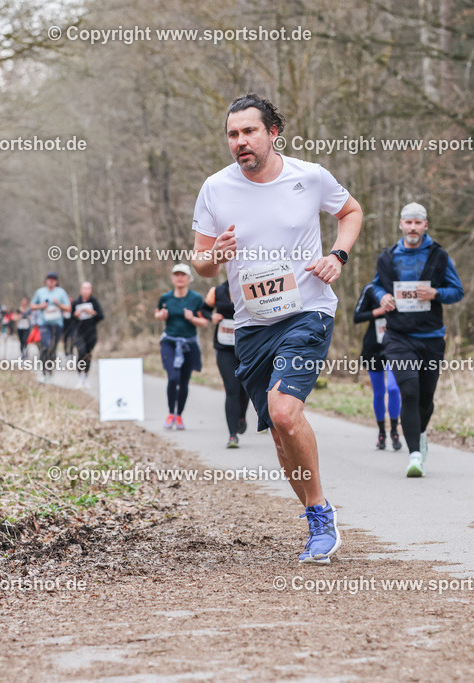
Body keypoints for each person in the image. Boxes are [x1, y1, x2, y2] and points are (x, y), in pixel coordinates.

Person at [191, 93, 363, 564]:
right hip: (251, 325)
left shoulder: (309, 177)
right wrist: (216, 256)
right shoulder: (216, 188)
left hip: (307, 311)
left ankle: (322, 519)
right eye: (232, 134)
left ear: (273, 133)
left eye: (249, 131)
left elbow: (351, 212)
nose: (240, 142)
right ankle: (315, 512)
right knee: (278, 433)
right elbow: (201, 264)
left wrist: (337, 256)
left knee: (285, 412)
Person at [371, 202, 465, 477]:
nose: (412, 227)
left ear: (425, 226)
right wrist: (382, 296)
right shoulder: (387, 257)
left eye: (417, 223)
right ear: (401, 225)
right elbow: (377, 284)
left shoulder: (439, 256)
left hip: (431, 338)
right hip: (398, 337)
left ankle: (420, 433)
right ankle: (414, 456)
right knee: (408, 391)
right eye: (408, 222)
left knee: (425, 397)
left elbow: (457, 291)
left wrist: (435, 294)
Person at [155, 264, 208, 429]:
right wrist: (161, 315)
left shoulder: (196, 299)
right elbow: (157, 313)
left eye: (182, 275)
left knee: (184, 381)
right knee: (173, 378)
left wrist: (192, 318)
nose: (179, 277)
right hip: (169, 342)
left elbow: (204, 321)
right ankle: (171, 413)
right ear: (172, 278)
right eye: (176, 274)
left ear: (188, 278)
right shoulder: (165, 298)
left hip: (189, 344)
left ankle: (179, 415)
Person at [353, 283, 401, 451]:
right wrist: (378, 312)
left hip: (396, 345)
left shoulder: (400, 285)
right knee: (379, 392)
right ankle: (382, 432)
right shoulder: (370, 289)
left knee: (394, 388)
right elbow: (356, 316)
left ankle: (395, 430)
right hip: (373, 347)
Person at [203, 280, 250, 448]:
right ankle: (232, 436)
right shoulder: (217, 290)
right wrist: (211, 316)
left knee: (245, 389)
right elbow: (203, 309)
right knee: (232, 389)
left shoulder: (252, 284)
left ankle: (241, 416)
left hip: (247, 347)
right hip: (224, 347)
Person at [30, 272, 71, 381]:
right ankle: (43, 372)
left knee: (53, 348)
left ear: (56, 281)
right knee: (45, 346)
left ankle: (50, 371)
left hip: (57, 324)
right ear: (46, 280)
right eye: (49, 279)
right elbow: (32, 305)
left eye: (53, 279)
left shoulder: (61, 292)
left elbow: (68, 307)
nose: (51, 281)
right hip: (44, 323)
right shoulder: (40, 292)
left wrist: (59, 305)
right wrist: (41, 306)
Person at [72, 281, 105, 389]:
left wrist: (92, 313)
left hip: (91, 332)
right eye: (83, 288)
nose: (85, 291)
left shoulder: (94, 302)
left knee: (88, 355)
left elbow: (101, 316)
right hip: (79, 332)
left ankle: (85, 377)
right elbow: (70, 319)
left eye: (88, 289)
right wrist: (75, 315)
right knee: (81, 353)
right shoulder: (76, 302)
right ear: (80, 290)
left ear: (91, 290)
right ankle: (79, 377)